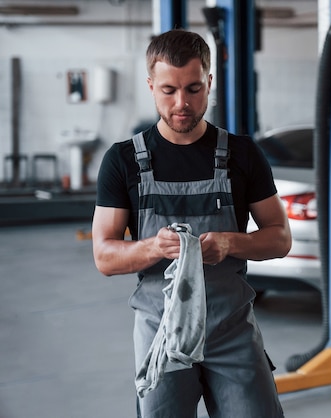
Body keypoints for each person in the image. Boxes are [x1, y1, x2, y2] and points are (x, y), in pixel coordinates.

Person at [92, 29, 291, 418]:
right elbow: (104, 256)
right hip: (161, 334)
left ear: (210, 83)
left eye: (194, 89)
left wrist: (230, 244)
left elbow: (279, 237)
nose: (182, 103)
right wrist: (153, 247)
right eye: (169, 90)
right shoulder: (122, 162)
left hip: (230, 330)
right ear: (151, 86)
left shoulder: (242, 155)